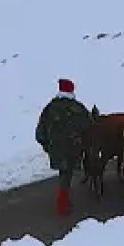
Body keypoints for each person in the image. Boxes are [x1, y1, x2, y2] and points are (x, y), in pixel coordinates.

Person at [35, 78, 93, 216]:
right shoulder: (77, 108)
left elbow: (39, 133)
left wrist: (48, 147)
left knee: (64, 174)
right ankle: (62, 204)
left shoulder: (50, 108)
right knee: (67, 175)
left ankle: (64, 201)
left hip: (57, 149)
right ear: (71, 91)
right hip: (73, 148)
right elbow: (89, 126)